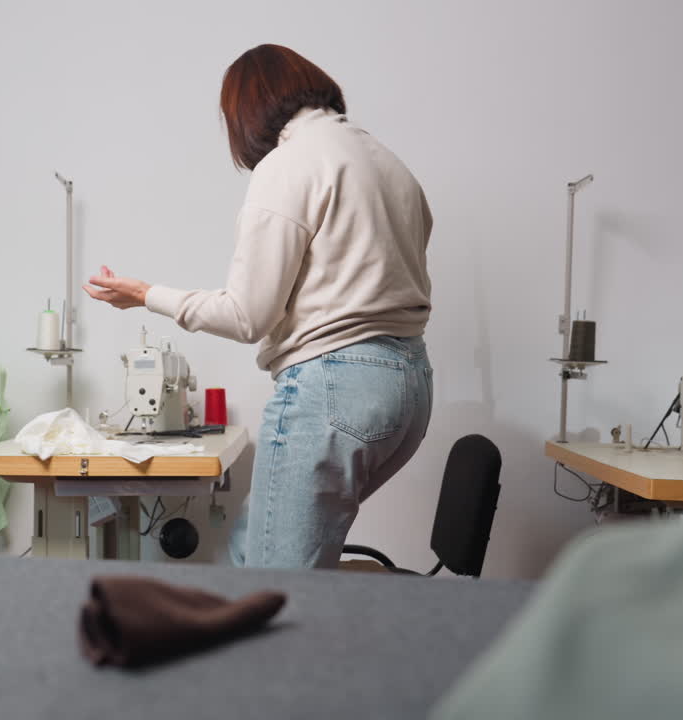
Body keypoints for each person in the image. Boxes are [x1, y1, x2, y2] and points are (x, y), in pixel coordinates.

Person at [84, 44, 433, 569]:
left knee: (270, 584)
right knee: (257, 551)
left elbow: (248, 316)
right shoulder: (390, 163)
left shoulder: (290, 164)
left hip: (335, 388)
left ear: (245, 111)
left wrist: (145, 296)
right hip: (408, 385)